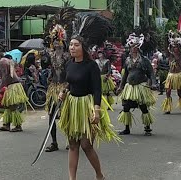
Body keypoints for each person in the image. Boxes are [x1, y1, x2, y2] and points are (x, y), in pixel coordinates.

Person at [58, 14, 121, 180]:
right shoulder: (69, 64)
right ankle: (72, 178)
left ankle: (99, 175)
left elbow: (97, 89)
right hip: (72, 106)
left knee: (86, 145)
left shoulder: (91, 66)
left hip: (87, 106)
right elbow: (68, 82)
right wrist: (63, 92)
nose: (72, 48)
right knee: (73, 144)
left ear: (83, 47)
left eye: (76, 45)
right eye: (71, 44)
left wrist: (97, 110)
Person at [117, 32, 157, 136]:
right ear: (130, 48)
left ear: (139, 47)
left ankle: (147, 128)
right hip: (129, 87)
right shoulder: (127, 60)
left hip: (140, 87)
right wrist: (121, 87)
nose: (134, 48)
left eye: (136, 46)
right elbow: (125, 75)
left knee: (143, 107)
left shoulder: (144, 60)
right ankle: (126, 128)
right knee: (126, 107)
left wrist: (154, 84)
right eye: (132, 46)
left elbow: (151, 73)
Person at [44, 23, 70, 152]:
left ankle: (70, 140)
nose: (55, 44)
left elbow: (70, 72)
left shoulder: (68, 56)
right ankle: (54, 142)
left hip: (65, 87)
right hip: (53, 88)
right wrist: (50, 76)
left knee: (67, 115)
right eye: (53, 41)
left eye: (57, 41)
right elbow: (52, 69)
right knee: (51, 115)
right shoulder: (51, 55)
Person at [0, 57, 29, 132]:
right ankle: (6, 125)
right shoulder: (6, 61)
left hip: (14, 86)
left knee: (13, 107)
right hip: (12, 85)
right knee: (7, 106)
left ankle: (18, 126)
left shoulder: (2, 62)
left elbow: (4, 77)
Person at [161, 30, 181, 114]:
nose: (175, 48)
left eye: (176, 46)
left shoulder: (180, 56)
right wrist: (166, 38)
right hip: (170, 75)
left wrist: (177, 59)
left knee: (180, 93)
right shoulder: (170, 55)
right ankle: (168, 108)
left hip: (179, 75)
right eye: (174, 46)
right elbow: (165, 48)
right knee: (168, 91)